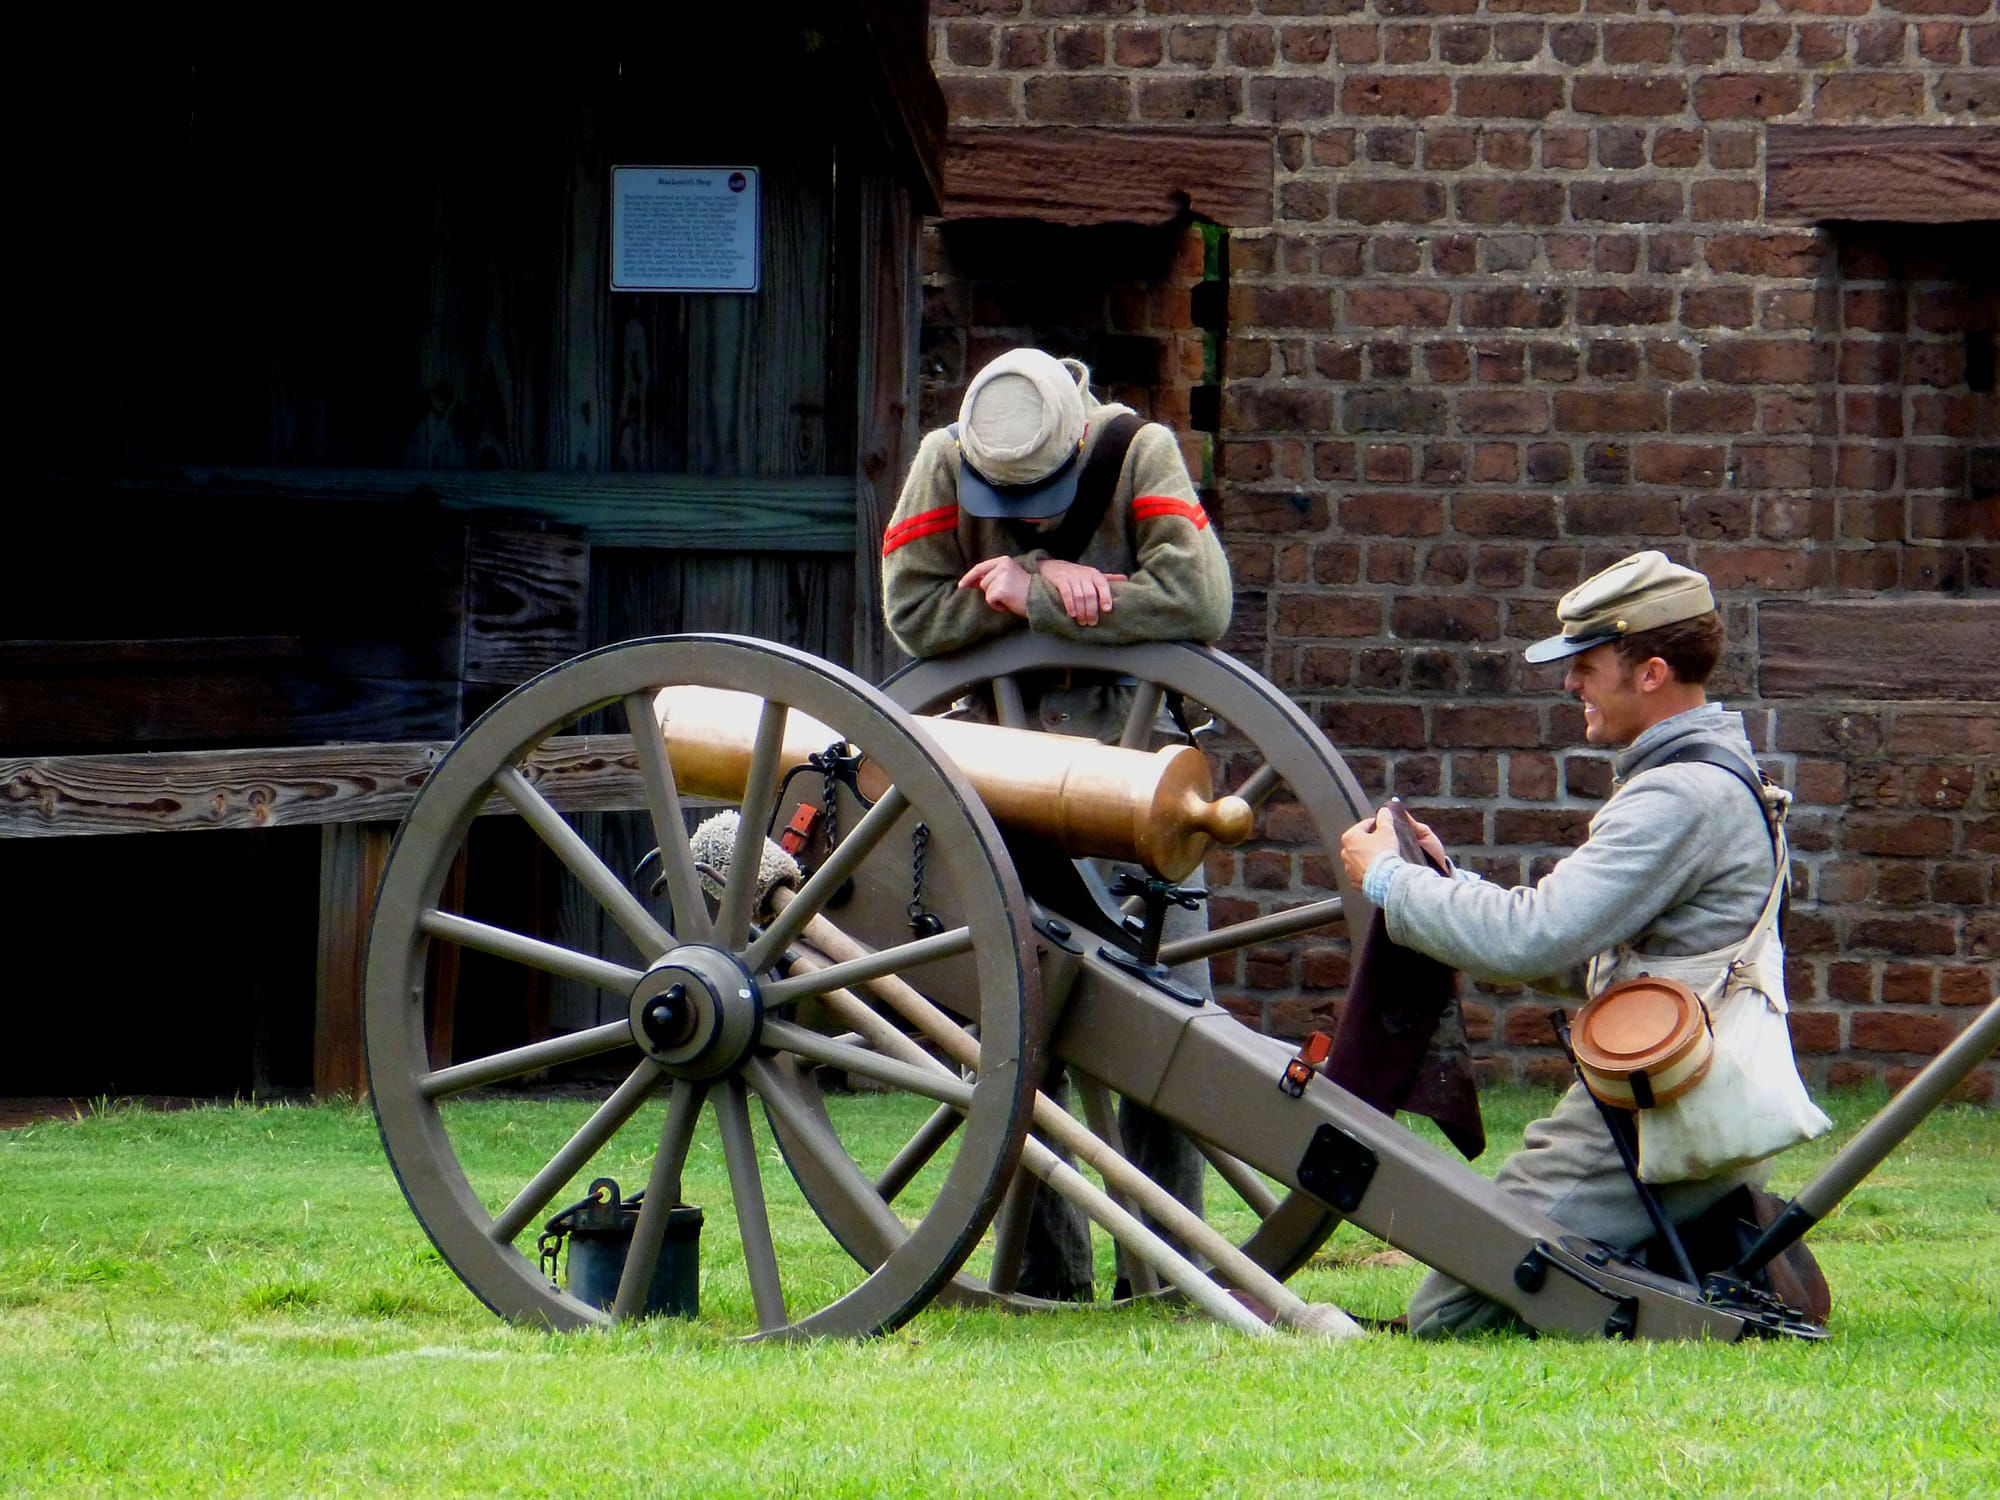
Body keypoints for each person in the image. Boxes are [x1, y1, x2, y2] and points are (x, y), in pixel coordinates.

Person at [1339, 550, 1809, 1336]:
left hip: (1663, 1115)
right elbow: (1577, 952)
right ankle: (1691, 1245)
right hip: (1675, 1095)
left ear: (1652, 672)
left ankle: (1682, 1274)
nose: (1570, 684)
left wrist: (1392, 884)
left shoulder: (1679, 794)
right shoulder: (1710, 774)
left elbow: (1533, 938)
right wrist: (1447, 880)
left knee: (1449, 1312)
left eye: (1587, 665)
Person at [881, 347, 1232, 1301]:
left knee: (1173, 1025)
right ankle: (1049, 1274)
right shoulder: (945, 462)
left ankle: (1171, 1276)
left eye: (1049, 493)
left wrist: (1033, 585)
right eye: (1016, 501)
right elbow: (914, 615)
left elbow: (1201, 601)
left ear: (1081, 435)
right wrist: (1050, 590)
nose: (1032, 509)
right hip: (998, 768)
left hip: (1135, 771)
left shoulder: (1139, 451)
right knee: (1020, 1025)